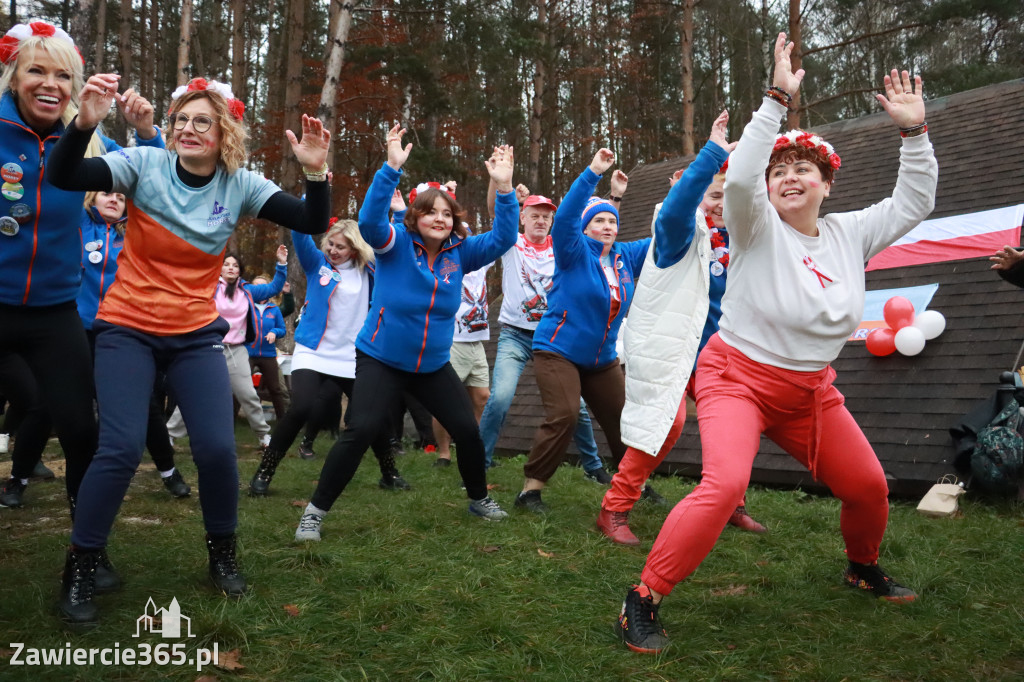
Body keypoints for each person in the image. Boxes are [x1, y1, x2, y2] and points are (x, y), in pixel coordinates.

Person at [616, 34, 937, 654]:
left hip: (811, 390)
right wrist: (775, 100)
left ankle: (861, 566)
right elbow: (738, 182)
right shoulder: (754, 221)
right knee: (726, 483)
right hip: (736, 376)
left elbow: (915, 201)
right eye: (780, 171)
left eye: (804, 170)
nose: (790, 177)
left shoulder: (851, 233)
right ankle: (644, 597)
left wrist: (914, 134)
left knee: (869, 486)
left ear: (826, 184)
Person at [47, 73, 332, 624]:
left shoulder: (241, 184)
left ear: (224, 130)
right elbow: (65, 176)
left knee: (219, 450)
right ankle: (80, 564)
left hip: (195, 336)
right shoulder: (143, 164)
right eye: (181, 121)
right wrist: (85, 123)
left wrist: (316, 172)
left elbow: (313, 220)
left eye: (203, 121)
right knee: (121, 447)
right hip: (126, 326)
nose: (189, 129)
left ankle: (222, 552)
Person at [293, 128, 517, 541]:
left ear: (454, 224)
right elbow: (371, 221)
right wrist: (391, 168)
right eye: (431, 212)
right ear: (416, 217)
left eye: (447, 214)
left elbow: (504, 237)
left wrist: (504, 187)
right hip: (381, 359)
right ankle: (314, 513)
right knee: (360, 430)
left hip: (432, 366)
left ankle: (478, 497)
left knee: (467, 431)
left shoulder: (460, 255)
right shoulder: (394, 245)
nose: (440, 219)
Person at [0, 22, 160, 525]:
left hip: (54, 313)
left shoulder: (89, 140)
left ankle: (87, 544)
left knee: (81, 431)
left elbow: (159, 178)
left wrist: (147, 130)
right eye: (37, 71)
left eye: (63, 75)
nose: (51, 84)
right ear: (12, 76)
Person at [597, 111, 765, 545]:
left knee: (734, 428)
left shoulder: (746, 242)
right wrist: (710, 156)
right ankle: (614, 508)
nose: (720, 204)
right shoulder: (677, 233)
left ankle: (733, 503)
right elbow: (675, 208)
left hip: (721, 356)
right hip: (672, 351)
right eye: (712, 195)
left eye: (729, 197)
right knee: (665, 426)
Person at [514, 148, 658, 514]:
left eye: (612, 221)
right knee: (563, 414)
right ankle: (530, 490)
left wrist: (687, 192)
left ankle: (635, 484)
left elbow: (666, 237)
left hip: (601, 359)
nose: (607, 227)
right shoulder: (573, 251)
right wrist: (593, 172)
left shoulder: (627, 256)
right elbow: (564, 218)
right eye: (599, 222)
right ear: (585, 227)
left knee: (623, 418)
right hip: (557, 350)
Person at [249, 218, 408, 496]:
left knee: (374, 414)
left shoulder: (370, 270)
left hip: (353, 355)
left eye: (341, 247)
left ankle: (389, 473)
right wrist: (314, 190)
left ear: (356, 249)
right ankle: (265, 471)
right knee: (301, 408)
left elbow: (396, 249)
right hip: (314, 351)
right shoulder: (316, 264)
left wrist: (397, 213)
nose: (333, 251)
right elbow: (300, 229)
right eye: (330, 244)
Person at [476, 182, 610, 480]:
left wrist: (612, 197)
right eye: (534, 215)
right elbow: (495, 212)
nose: (541, 221)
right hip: (515, 335)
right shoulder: (512, 242)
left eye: (546, 217)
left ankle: (593, 467)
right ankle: (479, 463)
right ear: (523, 218)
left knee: (577, 407)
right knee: (499, 399)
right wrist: (500, 184)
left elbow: (597, 231)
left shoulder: (561, 246)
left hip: (553, 338)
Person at [75, 189, 192, 499]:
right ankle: (21, 476)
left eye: (121, 197)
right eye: (106, 194)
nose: (114, 200)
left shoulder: (135, 232)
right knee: (71, 407)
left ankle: (168, 471)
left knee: (146, 405)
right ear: (91, 198)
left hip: (122, 329)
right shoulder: (78, 223)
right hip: (76, 329)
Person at [165, 249, 288, 448]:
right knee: (195, 393)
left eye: (235, 265)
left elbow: (274, 287)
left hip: (237, 350)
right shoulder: (209, 287)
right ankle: (170, 434)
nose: (231, 268)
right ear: (220, 268)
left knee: (248, 394)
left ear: (240, 271)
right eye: (227, 264)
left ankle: (264, 436)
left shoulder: (247, 290)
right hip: (209, 349)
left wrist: (281, 264)